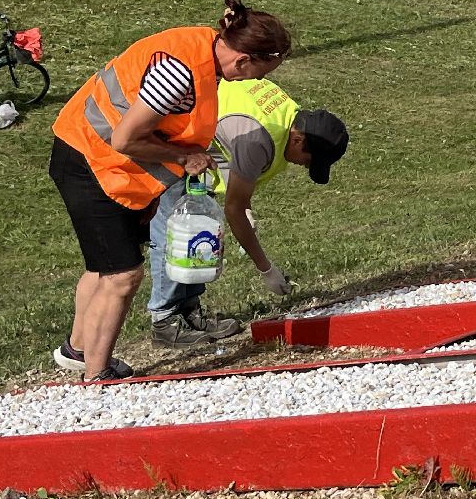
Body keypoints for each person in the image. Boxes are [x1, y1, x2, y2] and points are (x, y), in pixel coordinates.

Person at [48, 0, 291, 381]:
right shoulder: (180, 72)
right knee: (123, 275)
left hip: (88, 154)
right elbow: (125, 139)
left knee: (103, 267)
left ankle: (78, 349)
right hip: (89, 159)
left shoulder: (202, 45)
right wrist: (182, 157)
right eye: (260, 73)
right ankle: (98, 374)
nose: (256, 81)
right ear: (244, 59)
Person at [144, 78, 349, 346]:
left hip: (196, 141)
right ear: (298, 139)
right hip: (168, 138)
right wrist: (266, 269)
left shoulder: (288, 114)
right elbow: (233, 209)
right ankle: (164, 322)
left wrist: (244, 205)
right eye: (308, 160)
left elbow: (229, 140)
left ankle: (188, 310)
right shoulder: (259, 139)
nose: (303, 166)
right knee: (175, 233)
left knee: (197, 227)